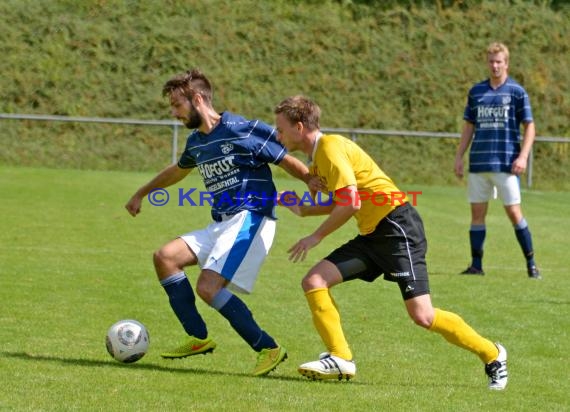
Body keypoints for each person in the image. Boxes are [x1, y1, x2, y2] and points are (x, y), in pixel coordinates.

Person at [273, 95, 508, 390]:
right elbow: (343, 200)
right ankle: (341, 357)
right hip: (373, 234)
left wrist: (315, 236)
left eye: (280, 128)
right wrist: (304, 209)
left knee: (422, 315)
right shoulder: (319, 156)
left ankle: (493, 355)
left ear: (298, 127)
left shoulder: (330, 149)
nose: (277, 135)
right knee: (314, 280)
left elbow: (351, 204)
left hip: (398, 228)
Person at [125, 69, 310, 376]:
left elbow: (282, 157)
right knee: (165, 258)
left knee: (208, 287)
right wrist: (142, 192)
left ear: (197, 99)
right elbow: (178, 170)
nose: (174, 113)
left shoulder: (241, 128)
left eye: (177, 105)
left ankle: (268, 347)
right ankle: (198, 338)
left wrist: (310, 179)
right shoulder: (197, 141)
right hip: (221, 222)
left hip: (251, 217)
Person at [454, 42, 540, 279]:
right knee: (477, 215)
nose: (495, 65)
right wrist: (459, 156)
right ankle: (476, 265)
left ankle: (532, 265)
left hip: (506, 164)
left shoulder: (516, 92)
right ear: (487, 63)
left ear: (506, 63)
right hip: (479, 164)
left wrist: (523, 156)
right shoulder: (476, 92)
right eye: (491, 61)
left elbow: (530, 127)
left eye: (499, 61)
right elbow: (469, 126)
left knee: (514, 213)